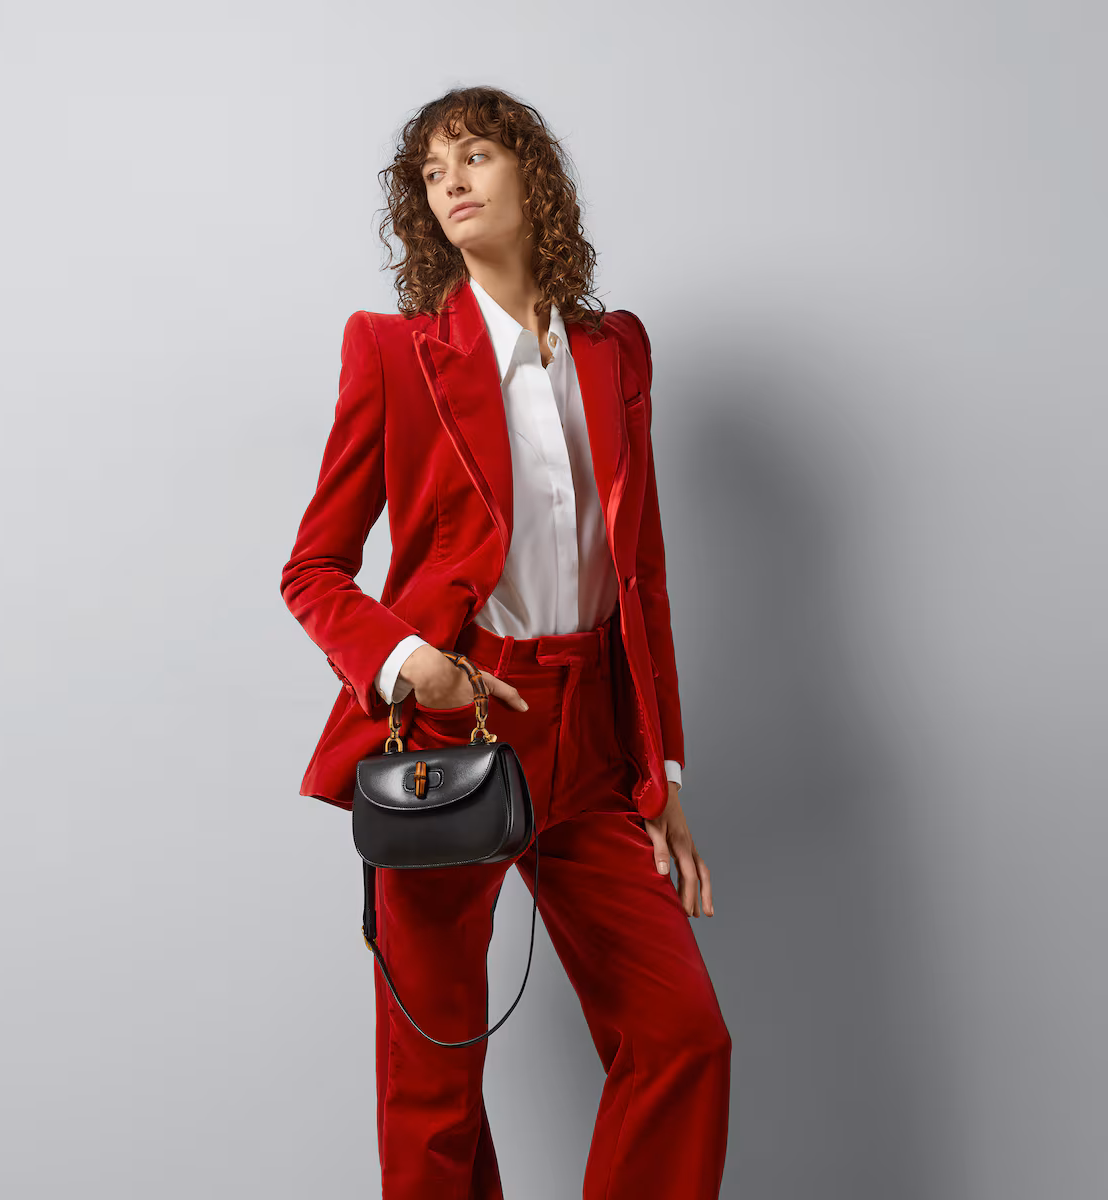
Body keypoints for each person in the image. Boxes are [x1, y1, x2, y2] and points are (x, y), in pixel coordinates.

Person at [280, 84, 731, 1199]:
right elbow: (314, 569)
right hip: (451, 730)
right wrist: (411, 664)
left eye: (475, 155)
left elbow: (643, 577)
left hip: (594, 739)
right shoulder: (394, 352)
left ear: (533, 175)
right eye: (432, 174)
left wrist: (664, 772)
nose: (453, 183)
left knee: (682, 1038)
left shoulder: (615, 352)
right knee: (433, 1084)